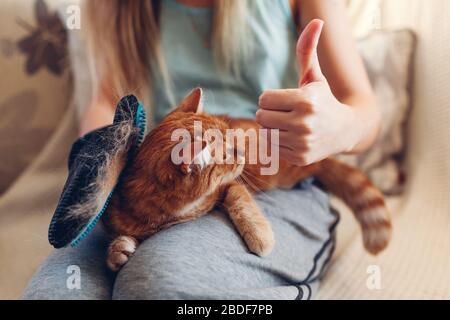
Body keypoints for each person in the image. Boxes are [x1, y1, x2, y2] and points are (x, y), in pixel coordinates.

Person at [24, 0, 379, 300]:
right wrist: (99, 162)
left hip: (272, 181)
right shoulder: (121, 7)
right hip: (163, 175)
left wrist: (338, 127)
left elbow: (363, 109)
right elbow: (107, 98)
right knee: (57, 290)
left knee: (156, 281)